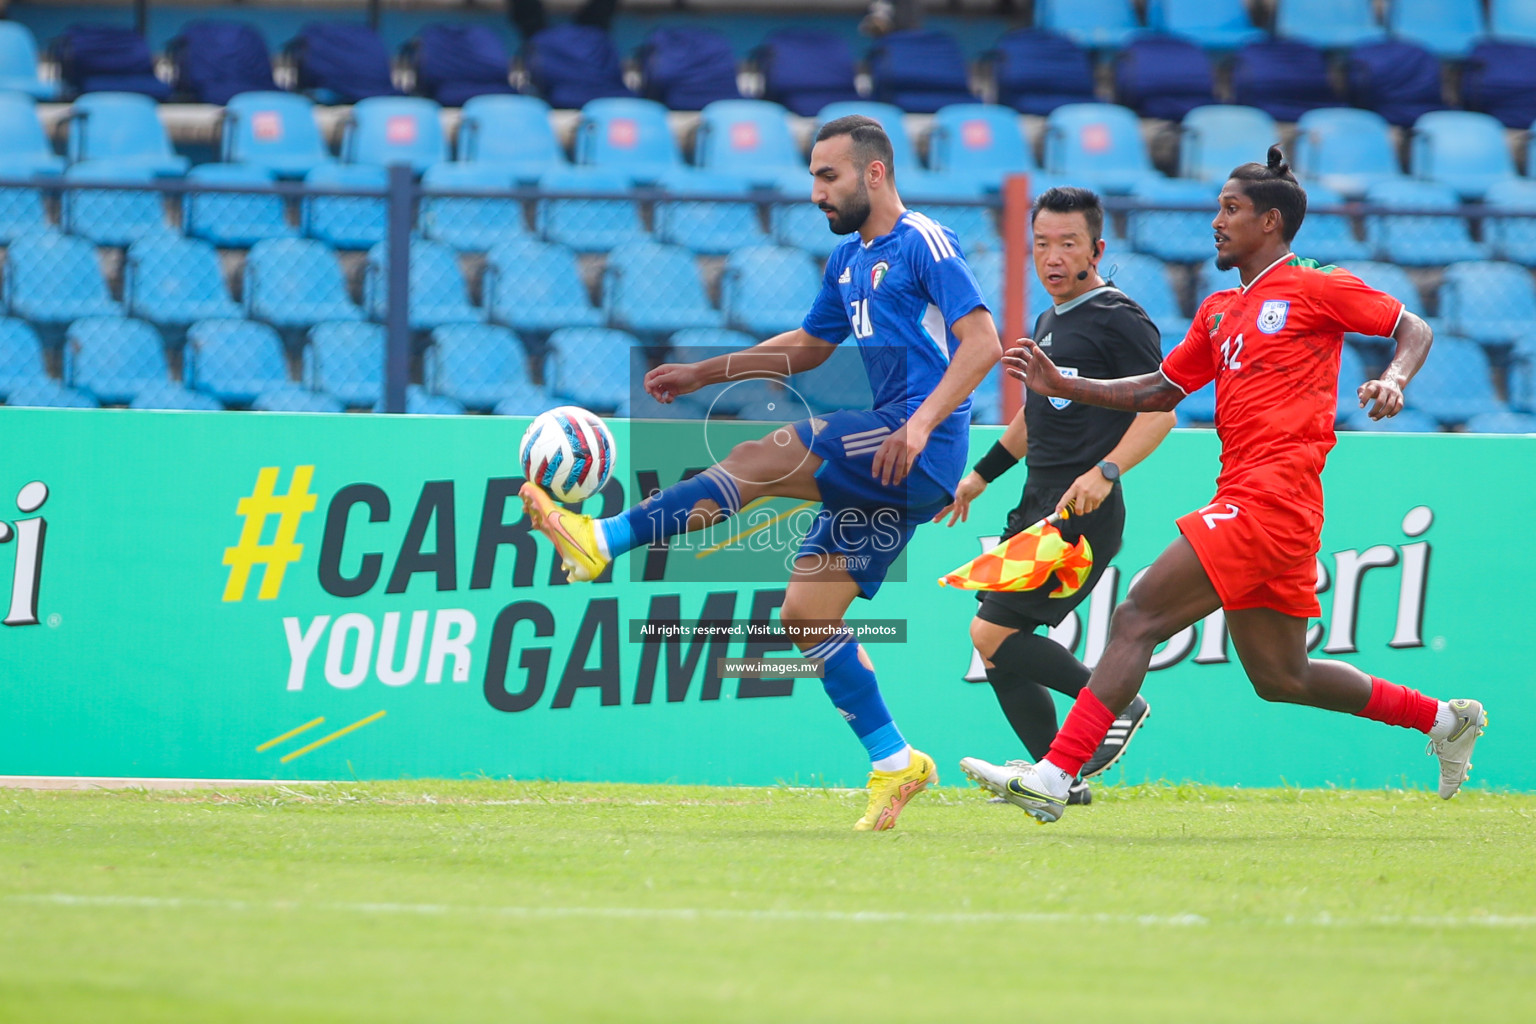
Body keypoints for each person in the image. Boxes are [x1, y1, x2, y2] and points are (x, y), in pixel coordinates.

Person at [520, 115, 1002, 831]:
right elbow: (809, 345)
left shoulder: (922, 241)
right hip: (898, 453)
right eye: (812, 176)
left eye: (827, 175)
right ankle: (896, 761)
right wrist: (702, 373)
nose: (815, 192)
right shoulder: (846, 262)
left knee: (763, 456)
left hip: (919, 442)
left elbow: (983, 343)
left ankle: (605, 539)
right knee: (806, 614)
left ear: (874, 173)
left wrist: (922, 422)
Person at [992, 146, 1485, 823]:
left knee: (1138, 614)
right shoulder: (1222, 308)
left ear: (1271, 222)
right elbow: (1160, 388)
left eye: (1231, 210)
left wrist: (1393, 379)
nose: (1216, 222)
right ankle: (1442, 720)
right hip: (1257, 499)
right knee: (1283, 677)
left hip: (1273, 496)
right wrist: (1065, 384)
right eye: (1218, 208)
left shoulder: (1314, 284)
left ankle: (1056, 773)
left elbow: (1411, 327)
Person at [934, 186, 1174, 810]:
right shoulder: (1051, 319)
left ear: (1097, 248)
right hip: (1036, 507)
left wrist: (1107, 472)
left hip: (1081, 513)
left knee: (990, 631)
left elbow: (1162, 411)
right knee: (995, 649)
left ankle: (1117, 701)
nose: (1053, 257)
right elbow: (1034, 416)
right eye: (1041, 244)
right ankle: (1061, 780)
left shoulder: (1120, 318)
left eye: (1068, 244)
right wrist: (980, 475)